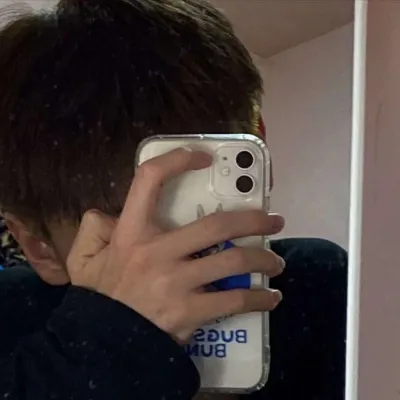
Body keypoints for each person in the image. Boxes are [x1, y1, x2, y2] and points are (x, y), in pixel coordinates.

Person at [0, 0, 347, 399]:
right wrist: (109, 341)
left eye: (199, 215)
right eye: (123, 242)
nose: (175, 272)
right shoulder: (12, 318)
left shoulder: (316, 285)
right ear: (38, 247)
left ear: (258, 158)